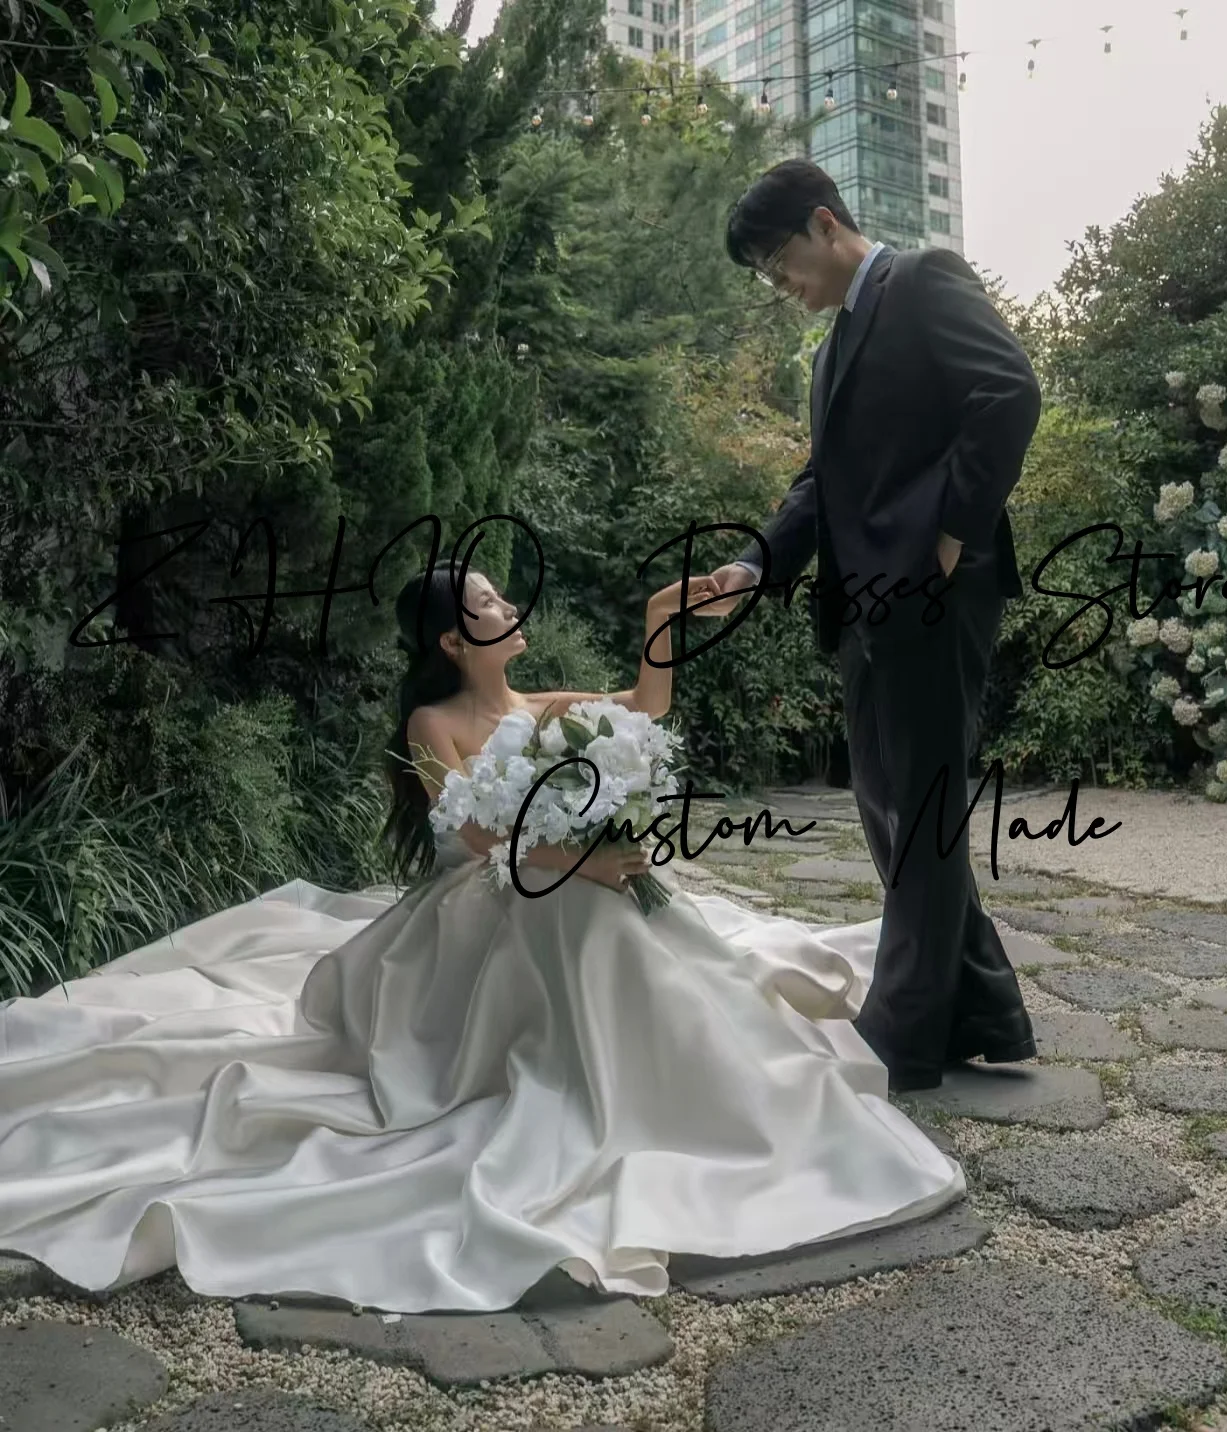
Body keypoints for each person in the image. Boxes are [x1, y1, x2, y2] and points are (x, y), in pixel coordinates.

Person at [0, 562, 963, 1316]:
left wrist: (662, 620)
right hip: (481, 906)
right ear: (459, 640)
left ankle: (678, 1087)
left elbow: (645, 709)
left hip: (560, 886)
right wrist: (582, 862)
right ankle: (610, 1093)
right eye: (490, 600)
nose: (509, 605)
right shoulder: (433, 719)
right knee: (582, 915)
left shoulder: (533, 707)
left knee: (603, 919)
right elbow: (476, 838)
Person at [701, 159, 1042, 1093]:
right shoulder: (831, 349)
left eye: (780, 266)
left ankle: (903, 1037)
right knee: (889, 805)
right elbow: (823, 483)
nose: (781, 288)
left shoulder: (923, 279)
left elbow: (1008, 392)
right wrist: (755, 563)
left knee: (920, 808)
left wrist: (952, 535)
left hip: (933, 594)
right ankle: (981, 1009)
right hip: (863, 607)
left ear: (824, 224)